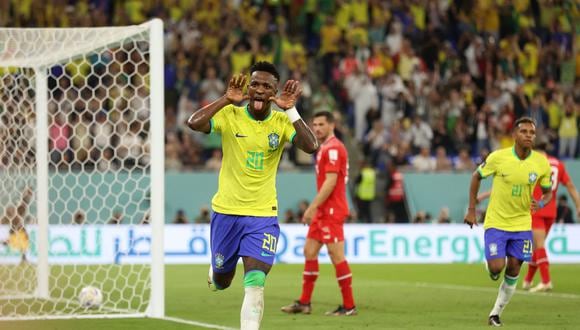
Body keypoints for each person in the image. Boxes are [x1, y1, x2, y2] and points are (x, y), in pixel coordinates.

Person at [186, 61, 318, 330]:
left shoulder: (282, 122)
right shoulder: (231, 115)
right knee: (222, 281)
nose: (259, 90)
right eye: (255, 84)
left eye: (266, 86)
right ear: (248, 87)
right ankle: (217, 270)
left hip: (262, 214)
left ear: (274, 92)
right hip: (226, 211)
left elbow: (311, 146)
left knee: (255, 282)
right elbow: (194, 123)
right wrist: (225, 99)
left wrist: (291, 109)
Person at [464, 117, 552, 327]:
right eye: (524, 132)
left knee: (514, 268)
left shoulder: (541, 163)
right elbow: (476, 177)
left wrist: (540, 204)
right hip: (497, 222)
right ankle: (491, 263)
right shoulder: (498, 157)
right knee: (497, 268)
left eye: (532, 132)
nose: (528, 136)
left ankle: (495, 313)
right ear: (514, 135)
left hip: (522, 224)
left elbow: (548, 193)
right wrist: (472, 210)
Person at [280, 111, 357, 316]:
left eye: (321, 124)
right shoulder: (324, 148)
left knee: (336, 255)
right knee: (309, 251)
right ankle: (305, 303)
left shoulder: (333, 148)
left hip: (332, 210)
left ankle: (349, 306)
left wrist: (312, 207)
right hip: (323, 210)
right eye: (314, 125)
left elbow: (331, 182)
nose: (317, 128)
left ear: (332, 125)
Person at [522, 142, 580, 292]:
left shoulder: (534, 163)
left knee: (539, 245)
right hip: (551, 211)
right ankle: (527, 280)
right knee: (536, 247)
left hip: (537, 209)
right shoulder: (558, 164)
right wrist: (578, 205)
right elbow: (571, 186)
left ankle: (546, 281)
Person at [1, 187, 33, 264]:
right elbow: (3, 221)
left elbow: (24, 203)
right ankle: (4, 242)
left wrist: (27, 195)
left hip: (20, 230)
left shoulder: (20, 210)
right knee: (13, 242)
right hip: (14, 231)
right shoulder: (8, 215)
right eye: (10, 211)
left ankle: (24, 258)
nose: (12, 211)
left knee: (24, 244)